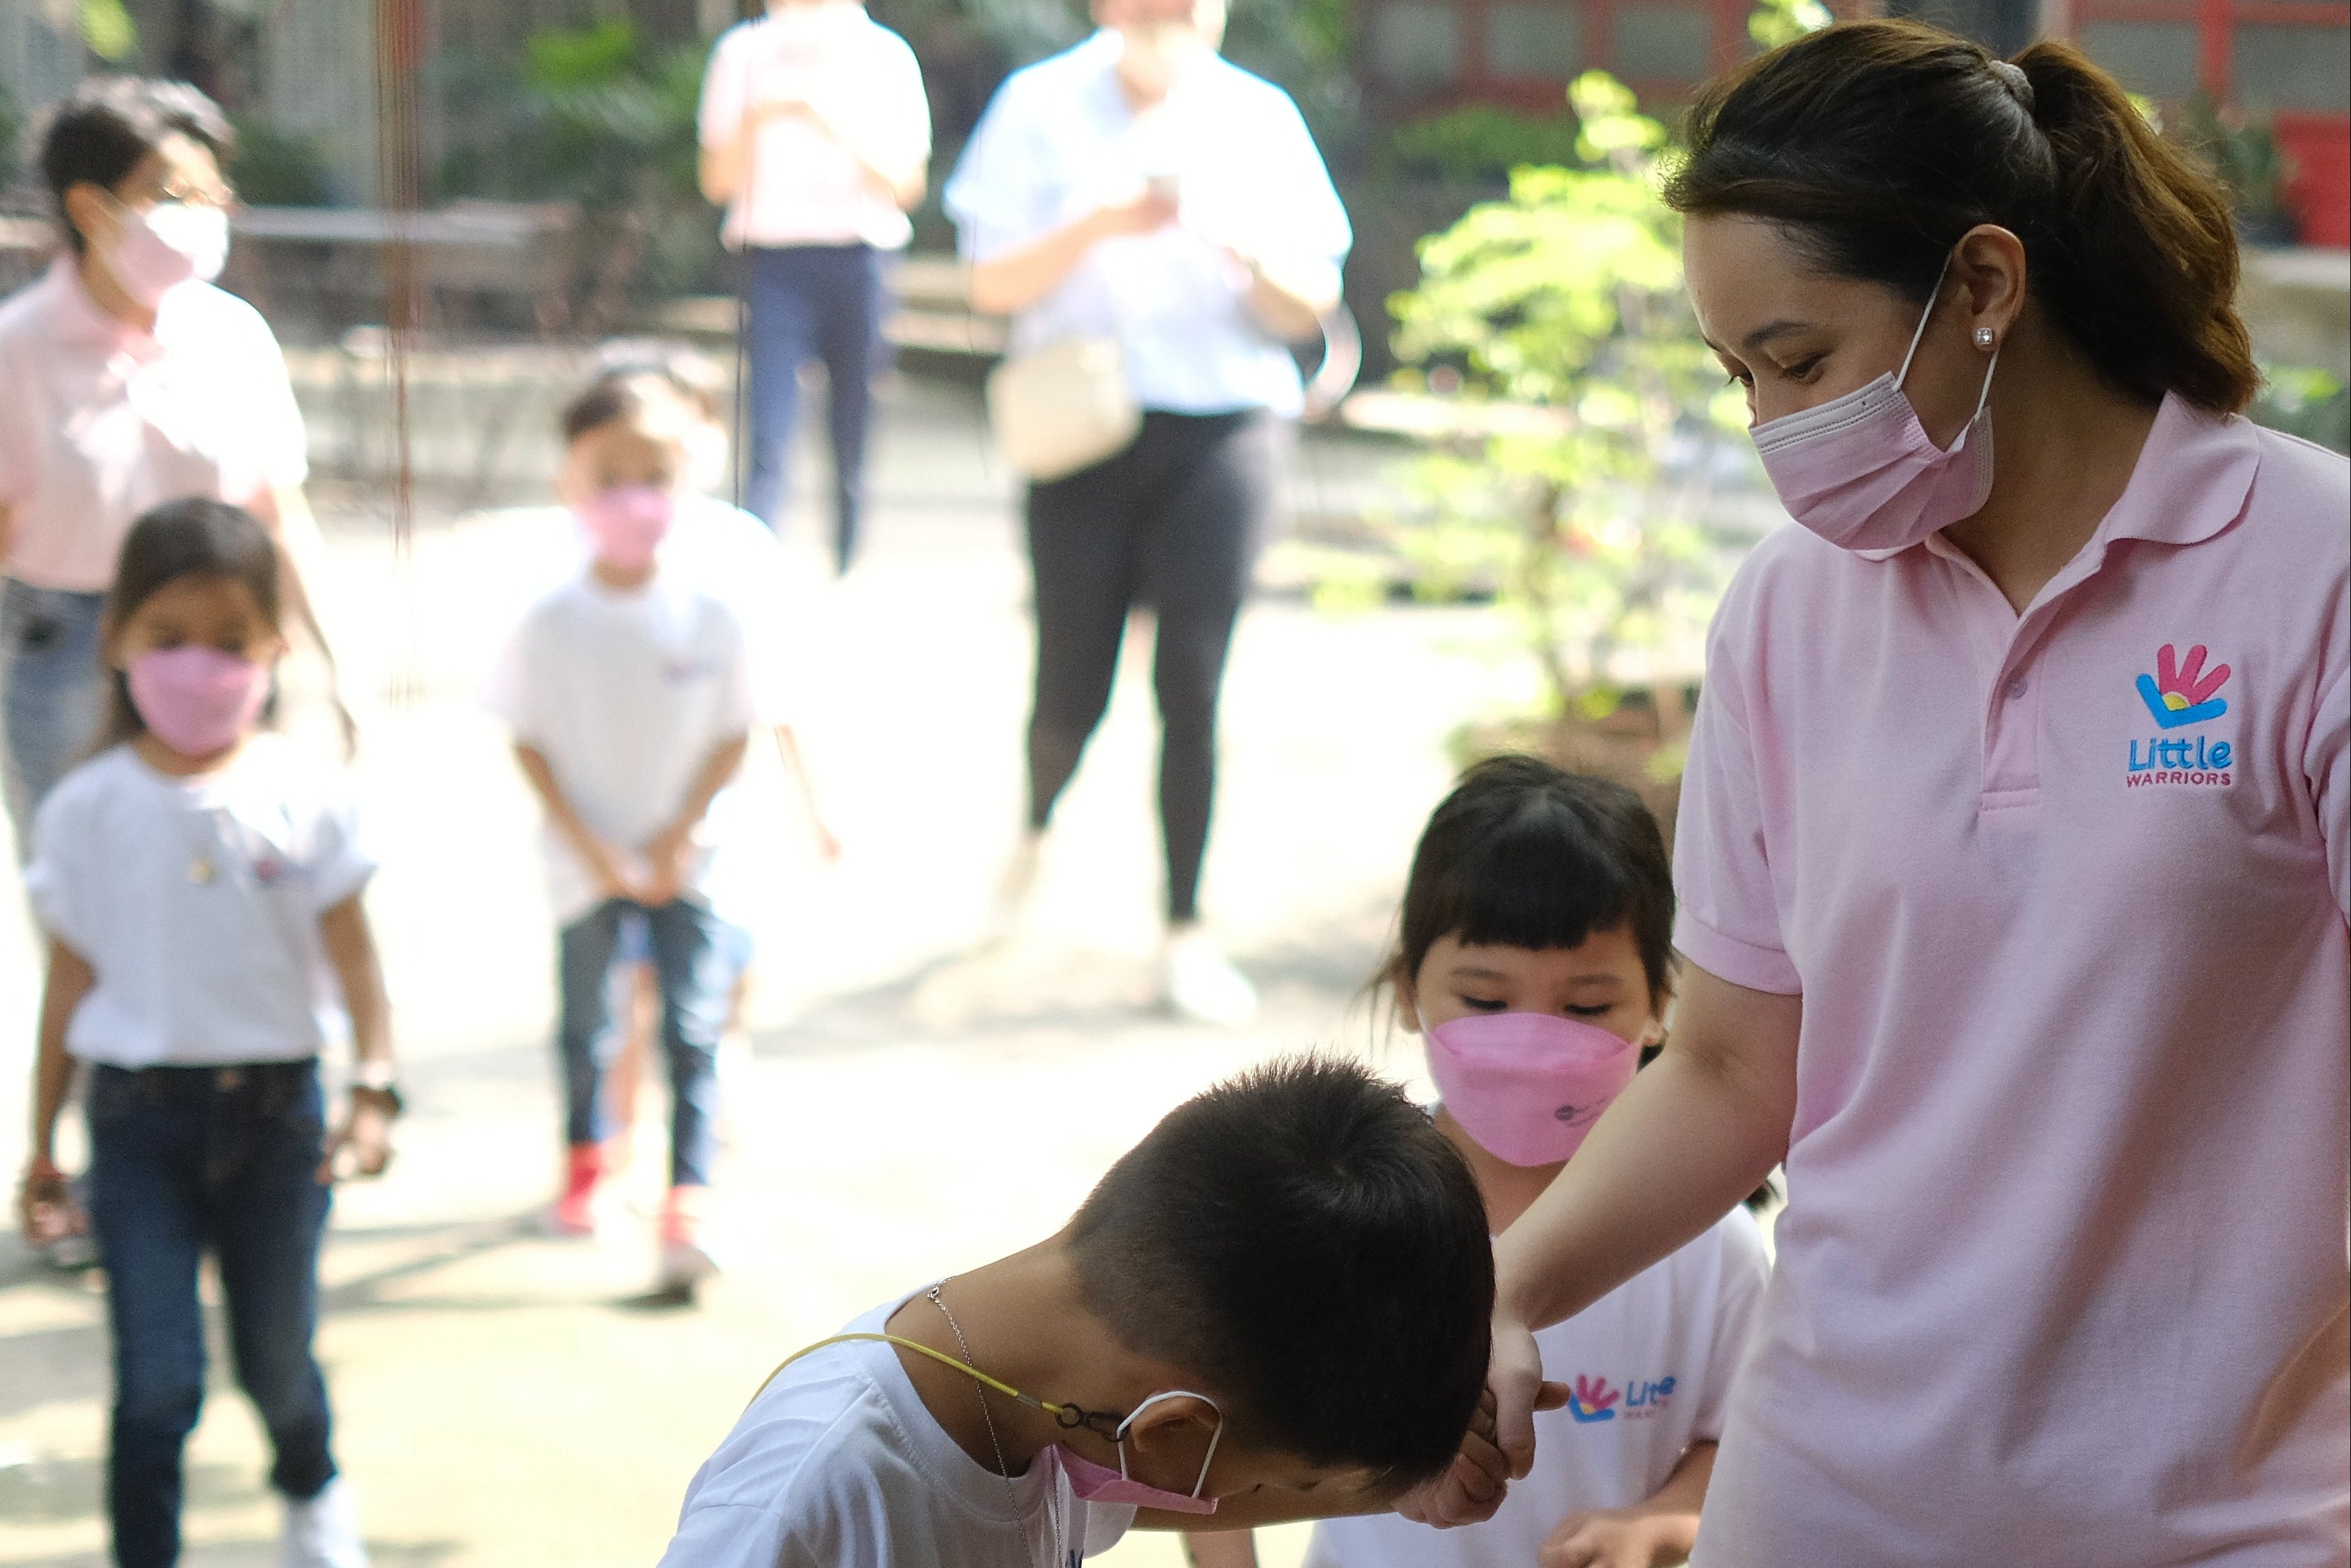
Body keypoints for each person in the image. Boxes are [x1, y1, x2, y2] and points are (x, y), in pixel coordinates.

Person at [1412, 22, 2350, 1565]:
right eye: (1737, 376)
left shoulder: (2308, 575)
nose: (1772, 428)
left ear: (1983, 286)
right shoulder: (1788, 615)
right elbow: (1725, 1069)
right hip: (1823, 1490)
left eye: (1797, 361)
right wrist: (1503, 1287)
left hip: (2222, 1512)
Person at [1189, 759, 1769, 1568]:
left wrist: (1660, 1520)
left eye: (1586, 1005)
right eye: (1487, 1000)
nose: (1531, 1041)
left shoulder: (1708, 1246)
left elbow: (1741, 1441)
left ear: (1661, 1008)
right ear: (1406, 989)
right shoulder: (1330, 1212)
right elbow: (1206, 1444)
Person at [654, 1055, 1497, 1565]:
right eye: (1283, 1474)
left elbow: (1139, 1493)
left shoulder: (1037, 1395)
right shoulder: (805, 1496)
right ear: (1171, 1427)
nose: (1275, 1490)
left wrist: (1389, 1482)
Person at [944, 0, 1351, 1027]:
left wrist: (1243, 247)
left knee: (1194, 681)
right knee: (1072, 683)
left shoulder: (1259, 116)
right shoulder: (1038, 107)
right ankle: (1035, 824)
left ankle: (1184, 927)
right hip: (1081, 421)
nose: (1172, 18)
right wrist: (1102, 222)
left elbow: (1309, 302)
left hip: (1225, 422)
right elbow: (990, 283)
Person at [12, 498, 398, 1568]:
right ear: (117, 639)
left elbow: (357, 958)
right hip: (137, 1125)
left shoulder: (307, 795)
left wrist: (375, 1087)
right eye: (169, 638)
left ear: (275, 647)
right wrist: (44, 1144)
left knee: (276, 1359)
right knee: (157, 1380)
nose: (199, 668)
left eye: (230, 642)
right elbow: (69, 983)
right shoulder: (85, 809)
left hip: (280, 1123)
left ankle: (312, 1495)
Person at [488, 368, 835, 1297]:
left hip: (699, 850)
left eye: (660, 464)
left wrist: (778, 814)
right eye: (612, 469)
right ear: (571, 473)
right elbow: (527, 736)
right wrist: (601, 850)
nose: (637, 490)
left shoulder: (727, 571)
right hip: (590, 859)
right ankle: (597, 1169)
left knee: (693, 1018)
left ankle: (687, 1195)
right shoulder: (547, 602)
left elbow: (758, 713)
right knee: (597, 1020)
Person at [0, 76, 344, 853]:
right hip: (66, 645)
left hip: (222, 637)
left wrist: (334, 665)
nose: (199, 216)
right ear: (90, 207)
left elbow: (279, 512)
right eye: (169, 193)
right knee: (78, 875)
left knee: (229, 868)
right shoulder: (17, 349)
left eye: (208, 193)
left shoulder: (233, 335)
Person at [697, 0, 931, 571]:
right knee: (769, 426)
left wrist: (830, 123)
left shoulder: (885, 55)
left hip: (861, 257)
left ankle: (847, 550)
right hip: (771, 259)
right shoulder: (743, 53)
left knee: (853, 419)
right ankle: (754, 558)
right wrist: (760, 120)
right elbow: (716, 181)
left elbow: (906, 186)